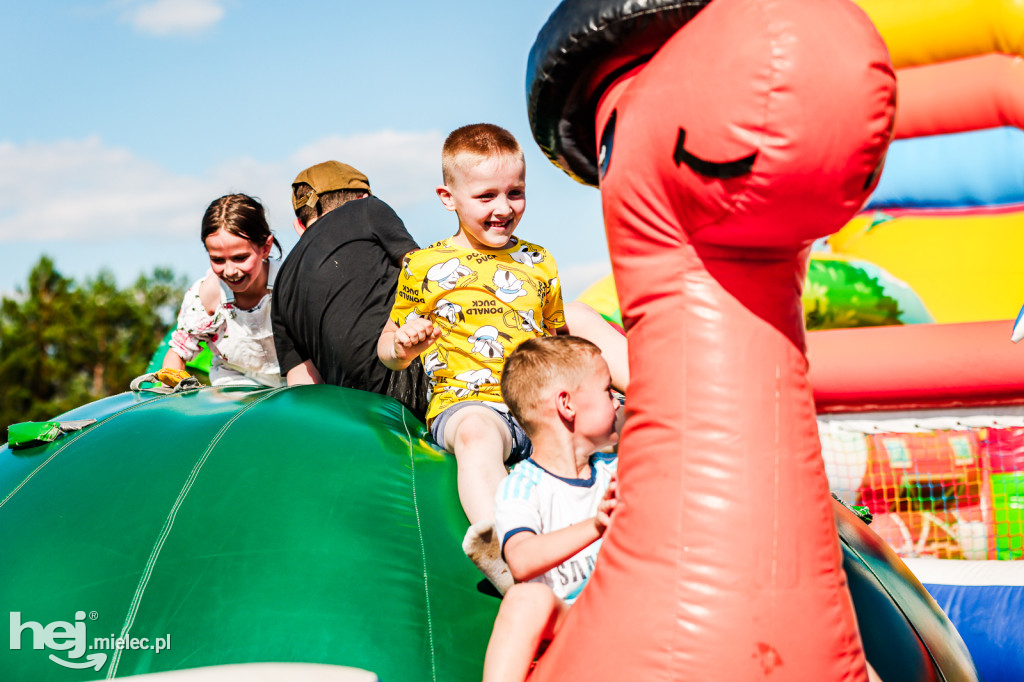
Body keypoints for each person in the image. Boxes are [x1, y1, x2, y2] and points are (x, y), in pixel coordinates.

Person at [481, 335, 620, 682]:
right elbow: (522, 560)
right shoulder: (524, 487)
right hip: (569, 622)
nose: (618, 400)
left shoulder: (615, 469)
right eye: (607, 390)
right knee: (525, 600)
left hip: (628, 612)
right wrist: (596, 526)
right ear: (567, 405)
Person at [271, 161, 430, 420]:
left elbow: (303, 385)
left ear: (300, 227)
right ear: (362, 196)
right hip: (413, 385)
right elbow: (425, 272)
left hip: (358, 417)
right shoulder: (366, 209)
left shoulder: (281, 284)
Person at [163, 193, 284, 388]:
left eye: (240, 258)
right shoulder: (207, 296)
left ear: (265, 248)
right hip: (235, 388)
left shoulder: (288, 283)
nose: (230, 271)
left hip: (295, 383)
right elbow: (178, 351)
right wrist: (171, 388)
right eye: (218, 260)